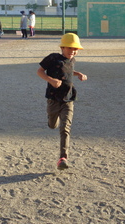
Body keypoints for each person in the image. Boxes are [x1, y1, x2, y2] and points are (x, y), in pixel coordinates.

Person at [37, 33, 87, 170]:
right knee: (53, 125)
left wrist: (79, 74)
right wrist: (51, 80)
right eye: (70, 48)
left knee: (65, 128)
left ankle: (63, 158)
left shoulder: (72, 60)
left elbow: (68, 71)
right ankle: (52, 120)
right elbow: (40, 71)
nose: (73, 52)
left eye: (76, 49)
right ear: (63, 47)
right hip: (53, 99)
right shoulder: (52, 58)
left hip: (68, 99)